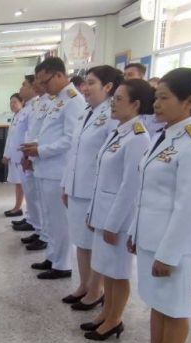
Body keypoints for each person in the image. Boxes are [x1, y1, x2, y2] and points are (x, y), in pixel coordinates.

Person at [122, 68, 191, 343]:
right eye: (156, 97)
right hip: (151, 236)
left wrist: (168, 253)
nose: (156, 104)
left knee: (174, 309)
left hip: (173, 243)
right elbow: (146, 192)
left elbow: (188, 205)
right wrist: (135, 232)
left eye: (164, 98)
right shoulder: (166, 135)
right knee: (157, 304)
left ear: (189, 101)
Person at [83, 79, 154, 340]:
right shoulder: (119, 131)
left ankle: (115, 319)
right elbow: (101, 177)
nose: (113, 103)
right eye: (113, 99)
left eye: (120, 99)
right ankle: (106, 313)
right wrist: (92, 212)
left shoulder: (138, 137)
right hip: (103, 213)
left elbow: (129, 186)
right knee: (107, 269)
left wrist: (113, 224)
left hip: (118, 218)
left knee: (119, 271)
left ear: (136, 105)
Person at [61, 65, 122, 309]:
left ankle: (97, 290)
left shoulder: (112, 115)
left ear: (108, 87)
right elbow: (74, 153)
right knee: (80, 241)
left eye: (91, 83)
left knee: (95, 245)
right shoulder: (86, 112)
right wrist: (66, 185)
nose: (85, 88)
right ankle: (84, 284)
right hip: (77, 188)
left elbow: (112, 159)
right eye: (85, 83)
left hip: (96, 192)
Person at [23, 57, 86, 280]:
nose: (42, 86)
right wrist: (35, 148)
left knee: (59, 220)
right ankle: (52, 256)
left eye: (45, 81)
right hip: (44, 167)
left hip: (57, 170)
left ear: (59, 75)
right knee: (49, 217)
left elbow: (70, 139)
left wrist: (41, 150)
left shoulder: (73, 100)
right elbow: (48, 132)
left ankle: (62, 264)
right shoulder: (56, 99)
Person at [16, 75, 49, 249]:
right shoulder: (36, 105)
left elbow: (41, 134)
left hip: (40, 157)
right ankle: (39, 230)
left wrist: (29, 156)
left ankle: (43, 234)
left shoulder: (49, 103)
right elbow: (30, 133)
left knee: (40, 200)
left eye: (24, 84)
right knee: (33, 196)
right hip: (30, 155)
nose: (21, 88)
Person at [3, 92, 26, 217]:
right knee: (18, 182)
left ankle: (18, 208)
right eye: (10, 102)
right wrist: (6, 155)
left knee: (20, 182)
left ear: (22, 102)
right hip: (14, 155)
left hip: (20, 155)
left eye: (15, 102)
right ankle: (17, 207)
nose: (12, 104)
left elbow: (19, 139)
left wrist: (9, 155)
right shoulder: (16, 116)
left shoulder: (24, 115)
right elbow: (10, 139)